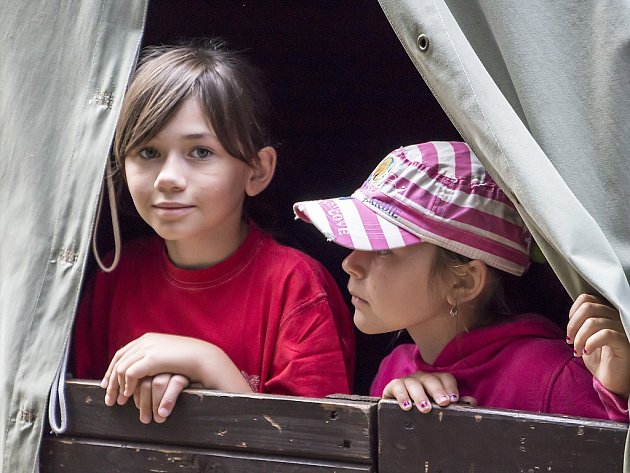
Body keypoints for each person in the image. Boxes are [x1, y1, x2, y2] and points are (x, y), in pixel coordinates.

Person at [71, 40, 355, 424]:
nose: (169, 178)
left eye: (200, 152)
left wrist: (207, 362)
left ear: (256, 171)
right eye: (148, 152)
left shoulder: (296, 287)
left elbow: (320, 445)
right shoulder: (114, 277)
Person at [293, 141, 630, 421]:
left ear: (464, 282)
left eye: (384, 250)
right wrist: (392, 415)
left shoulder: (551, 377)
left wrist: (615, 392)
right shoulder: (394, 373)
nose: (351, 263)